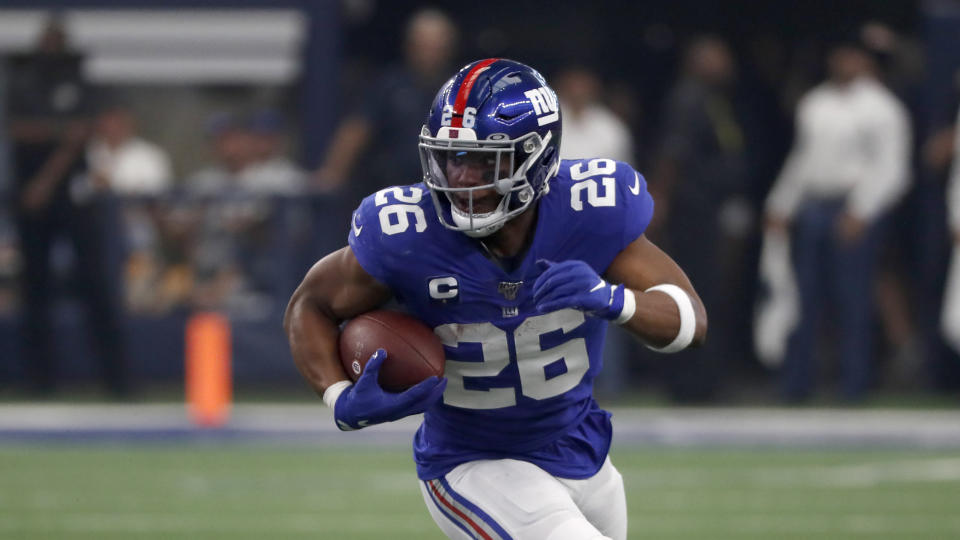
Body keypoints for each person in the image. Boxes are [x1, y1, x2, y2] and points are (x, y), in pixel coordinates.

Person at [285, 59, 706, 540]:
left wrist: (614, 300)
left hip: (580, 448)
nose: (462, 178)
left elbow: (690, 320)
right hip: (471, 462)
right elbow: (310, 304)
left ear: (537, 156)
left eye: (484, 160)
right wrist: (338, 396)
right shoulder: (406, 234)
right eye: (451, 158)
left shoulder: (591, 211)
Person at [764, 40, 911, 401]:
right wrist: (781, 203)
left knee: (853, 299)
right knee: (803, 297)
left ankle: (853, 385)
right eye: (839, 54)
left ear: (864, 61)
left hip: (854, 206)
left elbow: (892, 169)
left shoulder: (882, 108)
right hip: (814, 204)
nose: (844, 61)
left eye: (852, 55)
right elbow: (803, 159)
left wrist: (861, 212)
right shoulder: (816, 103)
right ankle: (797, 385)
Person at [7, 18, 128, 396]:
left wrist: (48, 168)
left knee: (96, 286)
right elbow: (18, 129)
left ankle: (117, 380)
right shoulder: (23, 83)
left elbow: (83, 132)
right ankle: (40, 381)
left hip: (72, 199)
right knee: (35, 290)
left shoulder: (80, 83)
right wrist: (59, 134)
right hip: (30, 199)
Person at [313, 9, 458, 200]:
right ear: (410, 46)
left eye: (436, 46)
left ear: (449, 48)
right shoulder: (390, 85)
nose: (430, 53)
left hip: (448, 190)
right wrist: (332, 173)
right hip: (396, 190)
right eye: (423, 45)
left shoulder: (459, 87)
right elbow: (357, 128)